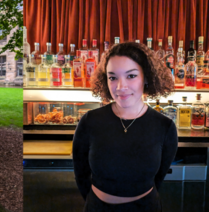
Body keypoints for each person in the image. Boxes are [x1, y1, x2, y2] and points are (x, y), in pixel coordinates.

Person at [73, 42, 177, 212]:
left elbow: (158, 179)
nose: (121, 87)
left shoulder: (164, 127)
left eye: (131, 76)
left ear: (147, 77)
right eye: (113, 77)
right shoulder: (90, 121)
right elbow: (81, 174)